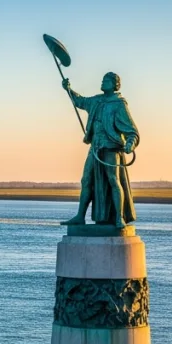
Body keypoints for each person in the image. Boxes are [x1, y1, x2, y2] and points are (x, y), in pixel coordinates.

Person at [60, 72, 141, 228]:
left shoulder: (119, 104)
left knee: (113, 180)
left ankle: (119, 218)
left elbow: (132, 131)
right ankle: (80, 216)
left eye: (106, 81)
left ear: (115, 84)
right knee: (86, 180)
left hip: (111, 148)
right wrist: (69, 89)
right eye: (102, 80)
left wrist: (130, 144)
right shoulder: (96, 101)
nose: (102, 82)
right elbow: (80, 101)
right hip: (95, 147)